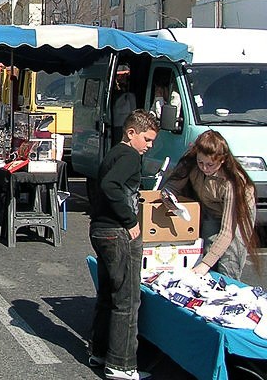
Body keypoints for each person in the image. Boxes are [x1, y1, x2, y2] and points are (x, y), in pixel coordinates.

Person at [87, 109, 159, 380]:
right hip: (116, 232)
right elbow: (111, 185)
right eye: (147, 140)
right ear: (131, 133)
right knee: (127, 299)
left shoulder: (115, 153)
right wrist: (130, 220)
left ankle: (100, 351)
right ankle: (122, 364)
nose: (149, 146)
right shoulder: (129, 156)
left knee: (108, 294)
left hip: (101, 229)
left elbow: (106, 184)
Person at [163, 129, 258, 280]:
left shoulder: (232, 182)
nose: (205, 168)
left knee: (230, 259)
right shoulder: (190, 164)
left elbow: (228, 231)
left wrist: (204, 266)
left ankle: (228, 288)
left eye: (210, 164)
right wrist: (168, 196)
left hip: (238, 214)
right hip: (210, 209)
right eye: (200, 162)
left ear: (222, 160)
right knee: (208, 247)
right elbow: (172, 185)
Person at [112, 74, 137, 144]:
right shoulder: (118, 96)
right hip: (118, 124)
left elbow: (133, 111)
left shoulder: (130, 96)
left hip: (124, 124)